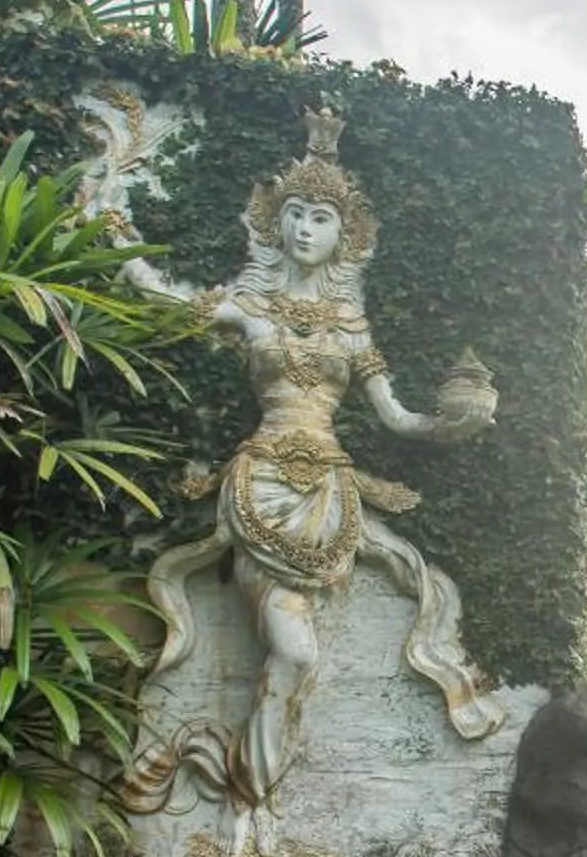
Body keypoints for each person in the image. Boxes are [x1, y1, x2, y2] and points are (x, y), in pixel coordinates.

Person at [99, 103, 508, 810]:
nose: (304, 228)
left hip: (330, 492)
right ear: (274, 224)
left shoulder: (352, 326)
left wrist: (452, 425)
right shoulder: (247, 305)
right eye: (295, 214)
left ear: (345, 237)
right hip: (260, 486)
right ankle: (246, 789)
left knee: (306, 650)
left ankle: (247, 795)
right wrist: (111, 217)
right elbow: (162, 297)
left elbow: (398, 417)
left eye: (321, 218)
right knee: (293, 652)